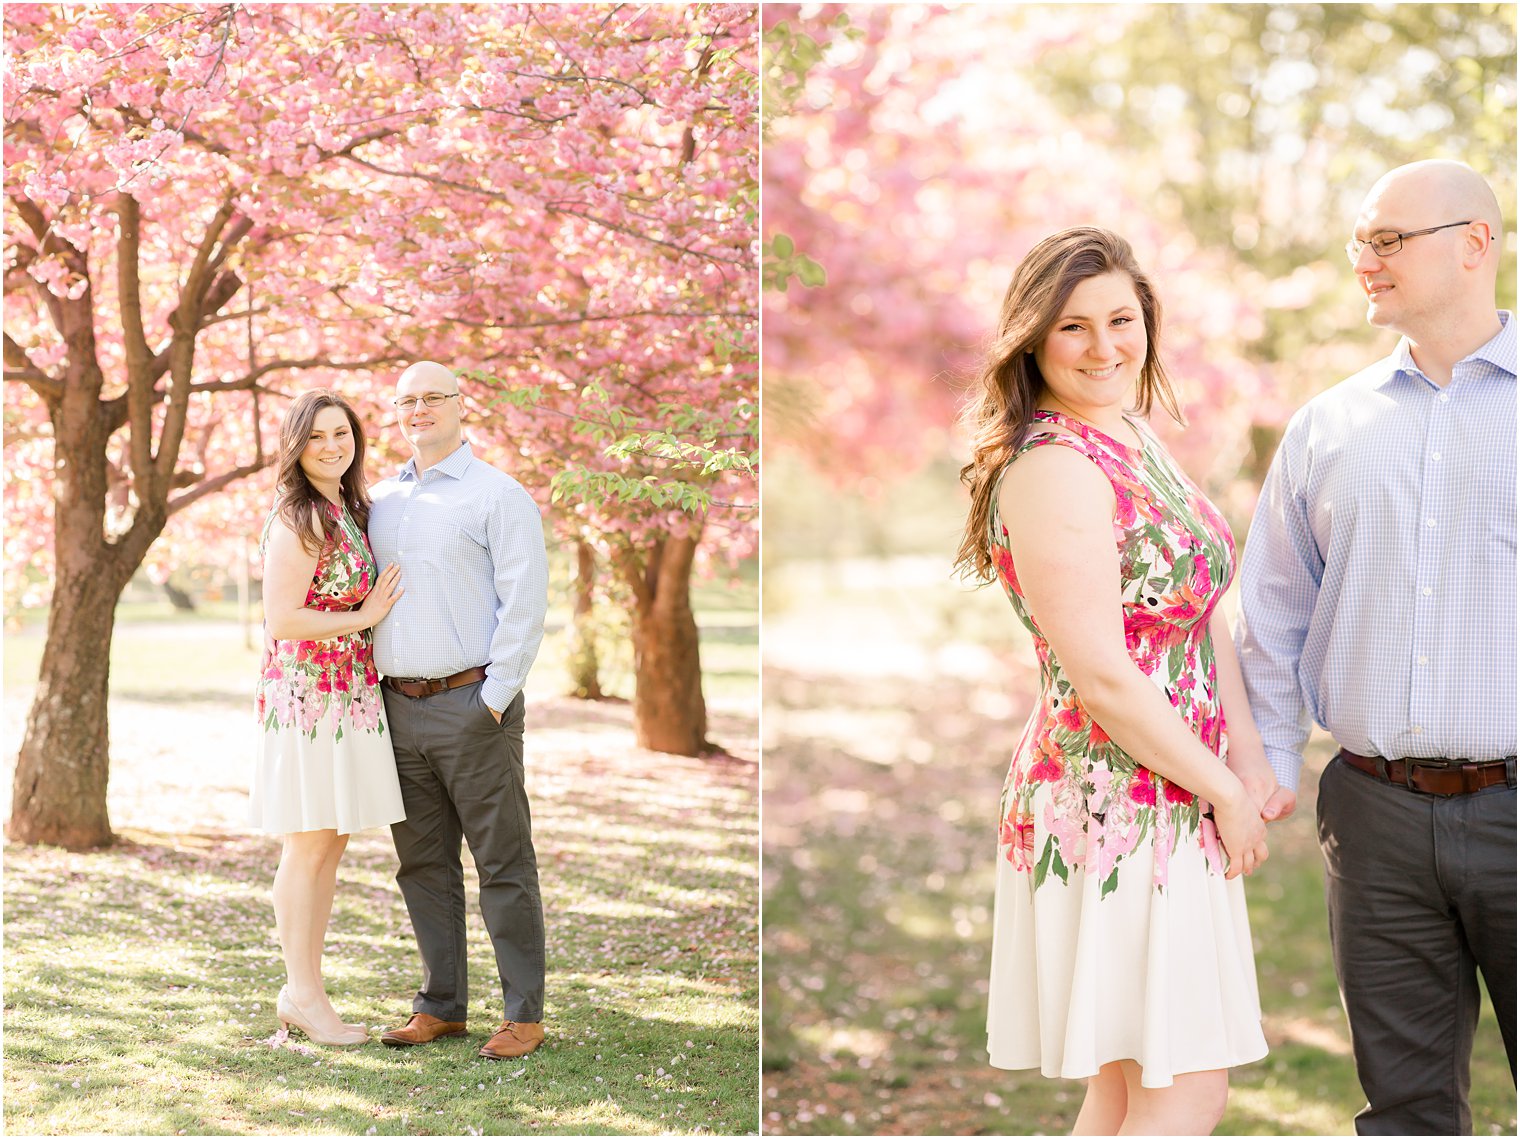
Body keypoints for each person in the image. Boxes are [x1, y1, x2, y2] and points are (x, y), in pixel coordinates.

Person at [956, 227, 1277, 1135]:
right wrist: (1222, 789)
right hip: (1113, 799)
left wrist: (1244, 758)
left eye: (1122, 320)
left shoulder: (1131, 433)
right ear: (1033, 340)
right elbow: (1101, 671)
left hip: (1175, 782)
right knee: (1185, 1089)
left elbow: (1201, 608)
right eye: (1073, 328)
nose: (1105, 348)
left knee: (1128, 1089)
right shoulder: (1056, 466)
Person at [1237, 159, 1515, 1135]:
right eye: (1360, 240)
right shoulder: (1326, 428)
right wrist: (1268, 766)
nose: (1363, 260)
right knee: (1401, 1113)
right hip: (1372, 814)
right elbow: (1267, 612)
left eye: (1387, 239)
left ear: (1473, 241)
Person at [367, 360, 551, 1061]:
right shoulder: (380, 498)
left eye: (432, 397)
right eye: (406, 400)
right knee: (421, 865)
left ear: (459, 403)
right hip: (396, 707)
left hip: (474, 706)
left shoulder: (497, 496)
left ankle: (523, 1013)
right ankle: (440, 1005)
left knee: (502, 860)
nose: (419, 409)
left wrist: (494, 698)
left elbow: (525, 603)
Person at [253, 389, 406, 1046]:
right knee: (308, 840)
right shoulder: (299, 518)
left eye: (340, 433)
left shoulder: (350, 507)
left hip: (350, 693)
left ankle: (306, 990)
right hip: (310, 697)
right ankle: (301, 992)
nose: (330, 445)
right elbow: (283, 619)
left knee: (331, 841)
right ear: (297, 445)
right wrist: (364, 617)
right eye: (315, 436)